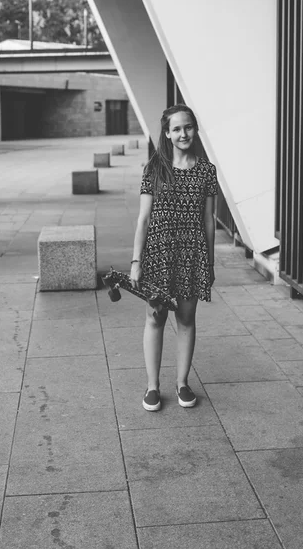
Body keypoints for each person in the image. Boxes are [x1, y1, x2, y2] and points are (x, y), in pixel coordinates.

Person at [130, 104, 218, 411]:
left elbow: (208, 220)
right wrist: (136, 261)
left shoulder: (206, 170)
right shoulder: (154, 168)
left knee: (186, 319)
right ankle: (152, 387)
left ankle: (182, 383)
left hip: (192, 254)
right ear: (167, 133)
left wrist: (209, 262)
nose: (184, 133)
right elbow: (143, 219)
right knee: (155, 319)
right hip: (159, 254)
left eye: (188, 127)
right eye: (177, 128)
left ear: (195, 129)